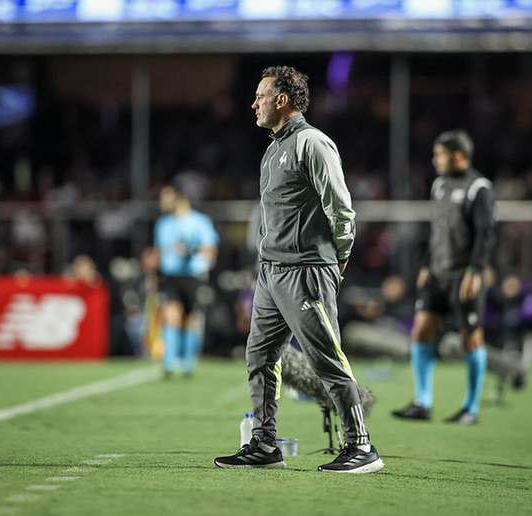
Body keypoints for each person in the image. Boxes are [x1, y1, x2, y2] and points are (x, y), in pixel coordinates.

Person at [214, 66, 383, 473]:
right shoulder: (273, 149)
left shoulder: (312, 142)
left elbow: (341, 208)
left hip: (306, 269)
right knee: (260, 356)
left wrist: (336, 260)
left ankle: (362, 446)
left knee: (325, 356)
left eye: (261, 95)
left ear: (282, 100)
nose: (254, 103)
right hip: (271, 273)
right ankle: (264, 443)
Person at [392, 130, 496, 425]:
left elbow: (485, 235)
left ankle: (471, 409)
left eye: (440, 154)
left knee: (471, 339)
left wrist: (475, 270)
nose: (435, 160)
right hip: (437, 273)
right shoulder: (439, 185)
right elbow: (436, 231)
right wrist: (426, 264)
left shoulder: (479, 188)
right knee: (421, 329)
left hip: (464, 276)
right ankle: (423, 402)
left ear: (458, 156)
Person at [154, 183, 218, 378]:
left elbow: (211, 250)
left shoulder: (200, 222)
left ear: (179, 198)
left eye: (166, 197)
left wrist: (191, 250)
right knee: (171, 315)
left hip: (193, 275)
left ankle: (189, 363)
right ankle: (170, 362)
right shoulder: (163, 224)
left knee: (190, 320)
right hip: (171, 276)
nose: (162, 202)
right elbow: (160, 252)